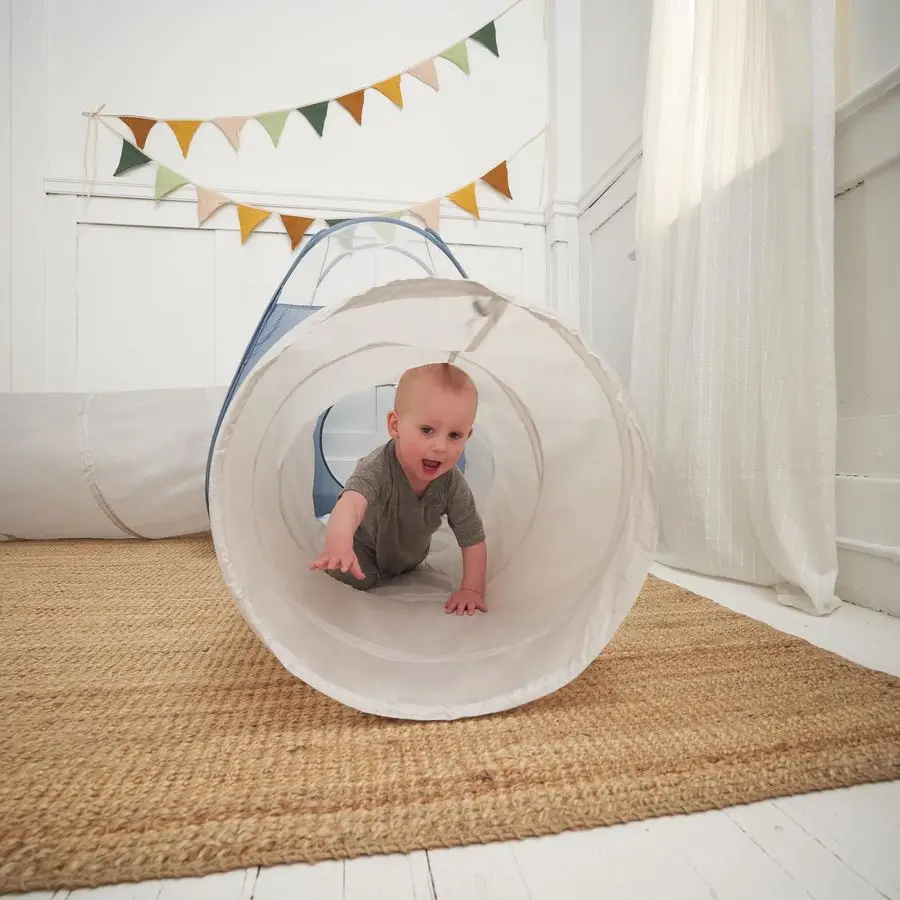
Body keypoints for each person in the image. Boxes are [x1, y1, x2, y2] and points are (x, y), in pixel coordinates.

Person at [309, 362, 488, 615]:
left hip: (410, 556)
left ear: (468, 437)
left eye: (454, 436)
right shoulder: (378, 467)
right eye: (427, 430)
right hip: (365, 545)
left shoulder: (452, 483)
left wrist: (472, 589)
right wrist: (339, 541)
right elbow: (351, 503)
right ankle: (340, 555)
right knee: (355, 577)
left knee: (407, 569)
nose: (440, 447)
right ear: (395, 425)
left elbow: (472, 536)